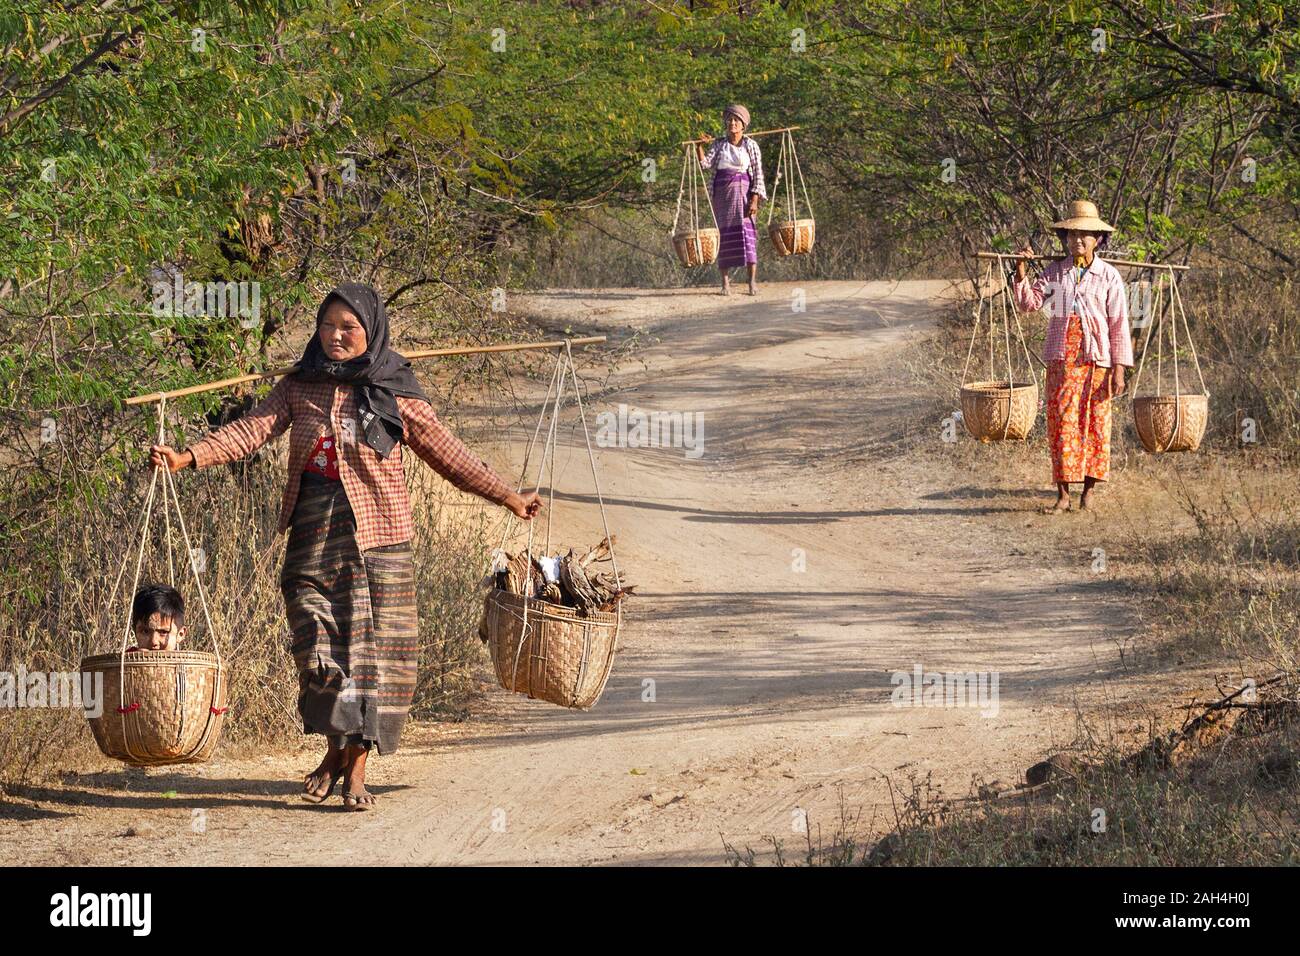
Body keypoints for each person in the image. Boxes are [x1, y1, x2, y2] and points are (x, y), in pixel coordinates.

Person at [149, 282, 542, 810]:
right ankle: (336, 749)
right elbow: (250, 431)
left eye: (349, 328)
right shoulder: (300, 385)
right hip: (312, 530)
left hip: (378, 538)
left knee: (368, 656)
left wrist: (508, 496)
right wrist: (187, 457)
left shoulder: (393, 391)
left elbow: (449, 455)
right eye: (328, 326)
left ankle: (354, 767)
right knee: (316, 645)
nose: (336, 337)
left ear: (371, 332)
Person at [1013, 200, 1134, 512]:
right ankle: (1064, 495)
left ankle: (1088, 493)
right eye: (1072, 235)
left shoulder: (1108, 276)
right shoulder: (1056, 272)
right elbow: (1029, 303)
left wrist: (1118, 369)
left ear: (1098, 239)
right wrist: (1021, 270)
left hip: (1099, 360)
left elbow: (1119, 324)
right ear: (1065, 238)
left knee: (1097, 423)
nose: (1077, 240)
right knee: (1062, 422)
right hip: (1062, 359)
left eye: (1085, 235)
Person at [695, 103, 766, 296]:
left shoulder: (751, 146)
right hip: (723, 197)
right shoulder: (719, 145)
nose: (732, 123)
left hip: (744, 196)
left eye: (736, 120)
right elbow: (705, 164)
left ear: (743, 125)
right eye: (729, 120)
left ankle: (751, 282)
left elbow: (758, 174)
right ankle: (725, 283)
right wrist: (699, 145)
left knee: (747, 233)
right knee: (724, 236)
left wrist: (755, 199)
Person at [127, 583, 187, 651]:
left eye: (163, 632)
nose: (153, 642)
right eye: (145, 631)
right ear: (135, 631)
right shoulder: (124, 660)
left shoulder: (188, 661)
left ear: (181, 634)